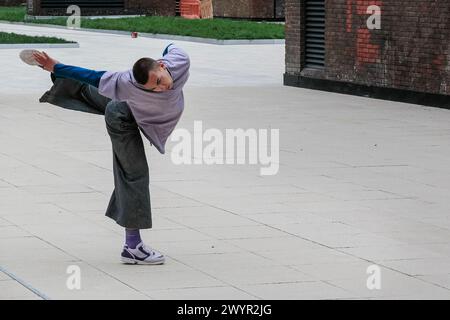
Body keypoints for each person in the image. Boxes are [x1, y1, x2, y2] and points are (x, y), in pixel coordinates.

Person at [28, 43, 190, 265]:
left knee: (102, 93)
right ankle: (133, 247)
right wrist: (56, 67)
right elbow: (92, 75)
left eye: (160, 81)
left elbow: (172, 46)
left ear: (162, 66)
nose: (161, 88)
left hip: (132, 107)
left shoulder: (179, 61)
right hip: (122, 118)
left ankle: (70, 88)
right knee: (135, 174)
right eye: (153, 87)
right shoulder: (128, 82)